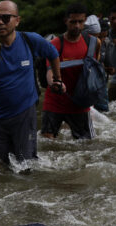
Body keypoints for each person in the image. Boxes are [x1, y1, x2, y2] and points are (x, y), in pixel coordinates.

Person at [0, 0, 64, 168]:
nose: (0, 22)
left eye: (6, 18)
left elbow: (53, 54)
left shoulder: (30, 40)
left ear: (17, 20)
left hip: (25, 111)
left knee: (26, 164)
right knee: (4, 163)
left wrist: (58, 79)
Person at [41, 4, 101, 140]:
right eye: (73, 22)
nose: (77, 26)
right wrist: (54, 83)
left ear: (85, 21)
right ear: (66, 21)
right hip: (55, 101)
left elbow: (95, 70)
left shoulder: (93, 43)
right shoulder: (54, 45)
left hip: (80, 104)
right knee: (46, 142)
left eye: (81, 22)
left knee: (87, 145)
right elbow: (49, 71)